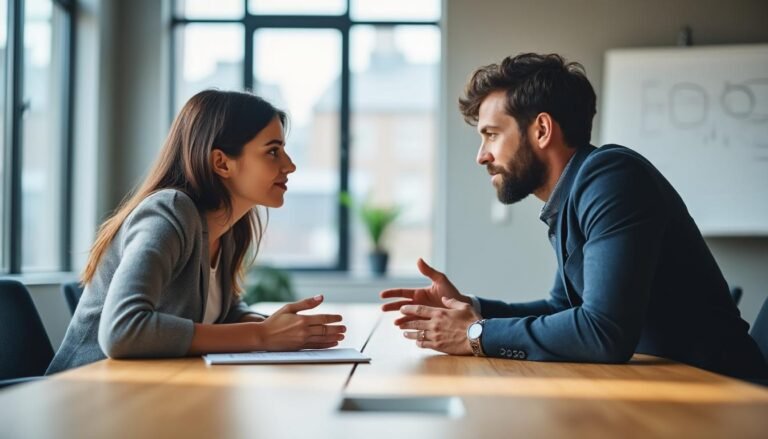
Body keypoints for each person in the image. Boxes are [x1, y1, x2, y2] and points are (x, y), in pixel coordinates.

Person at [380, 53, 767, 380]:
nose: (481, 155)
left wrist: (474, 334)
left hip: (722, 393)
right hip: (666, 383)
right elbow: (562, 310)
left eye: (492, 134)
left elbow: (603, 333)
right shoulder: (575, 193)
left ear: (542, 130)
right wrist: (470, 308)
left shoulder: (610, 178)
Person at [47, 90, 346, 374]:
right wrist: (261, 335)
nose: (290, 165)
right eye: (272, 152)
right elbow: (122, 331)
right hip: (84, 396)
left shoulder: (228, 225)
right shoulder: (169, 212)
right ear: (221, 162)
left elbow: (223, 313)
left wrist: (280, 329)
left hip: (150, 392)